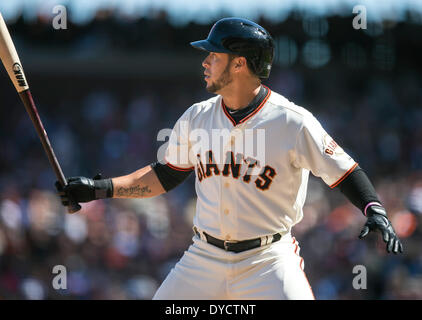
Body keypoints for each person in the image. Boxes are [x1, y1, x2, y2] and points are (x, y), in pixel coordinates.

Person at [55, 17, 403, 300]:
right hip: (204, 256)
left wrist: (375, 210)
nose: (205, 61)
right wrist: (99, 189)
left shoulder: (292, 121)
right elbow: (164, 176)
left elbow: (344, 171)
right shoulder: (197, 116)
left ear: (239, 64)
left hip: (268, 258)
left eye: (213, 55)